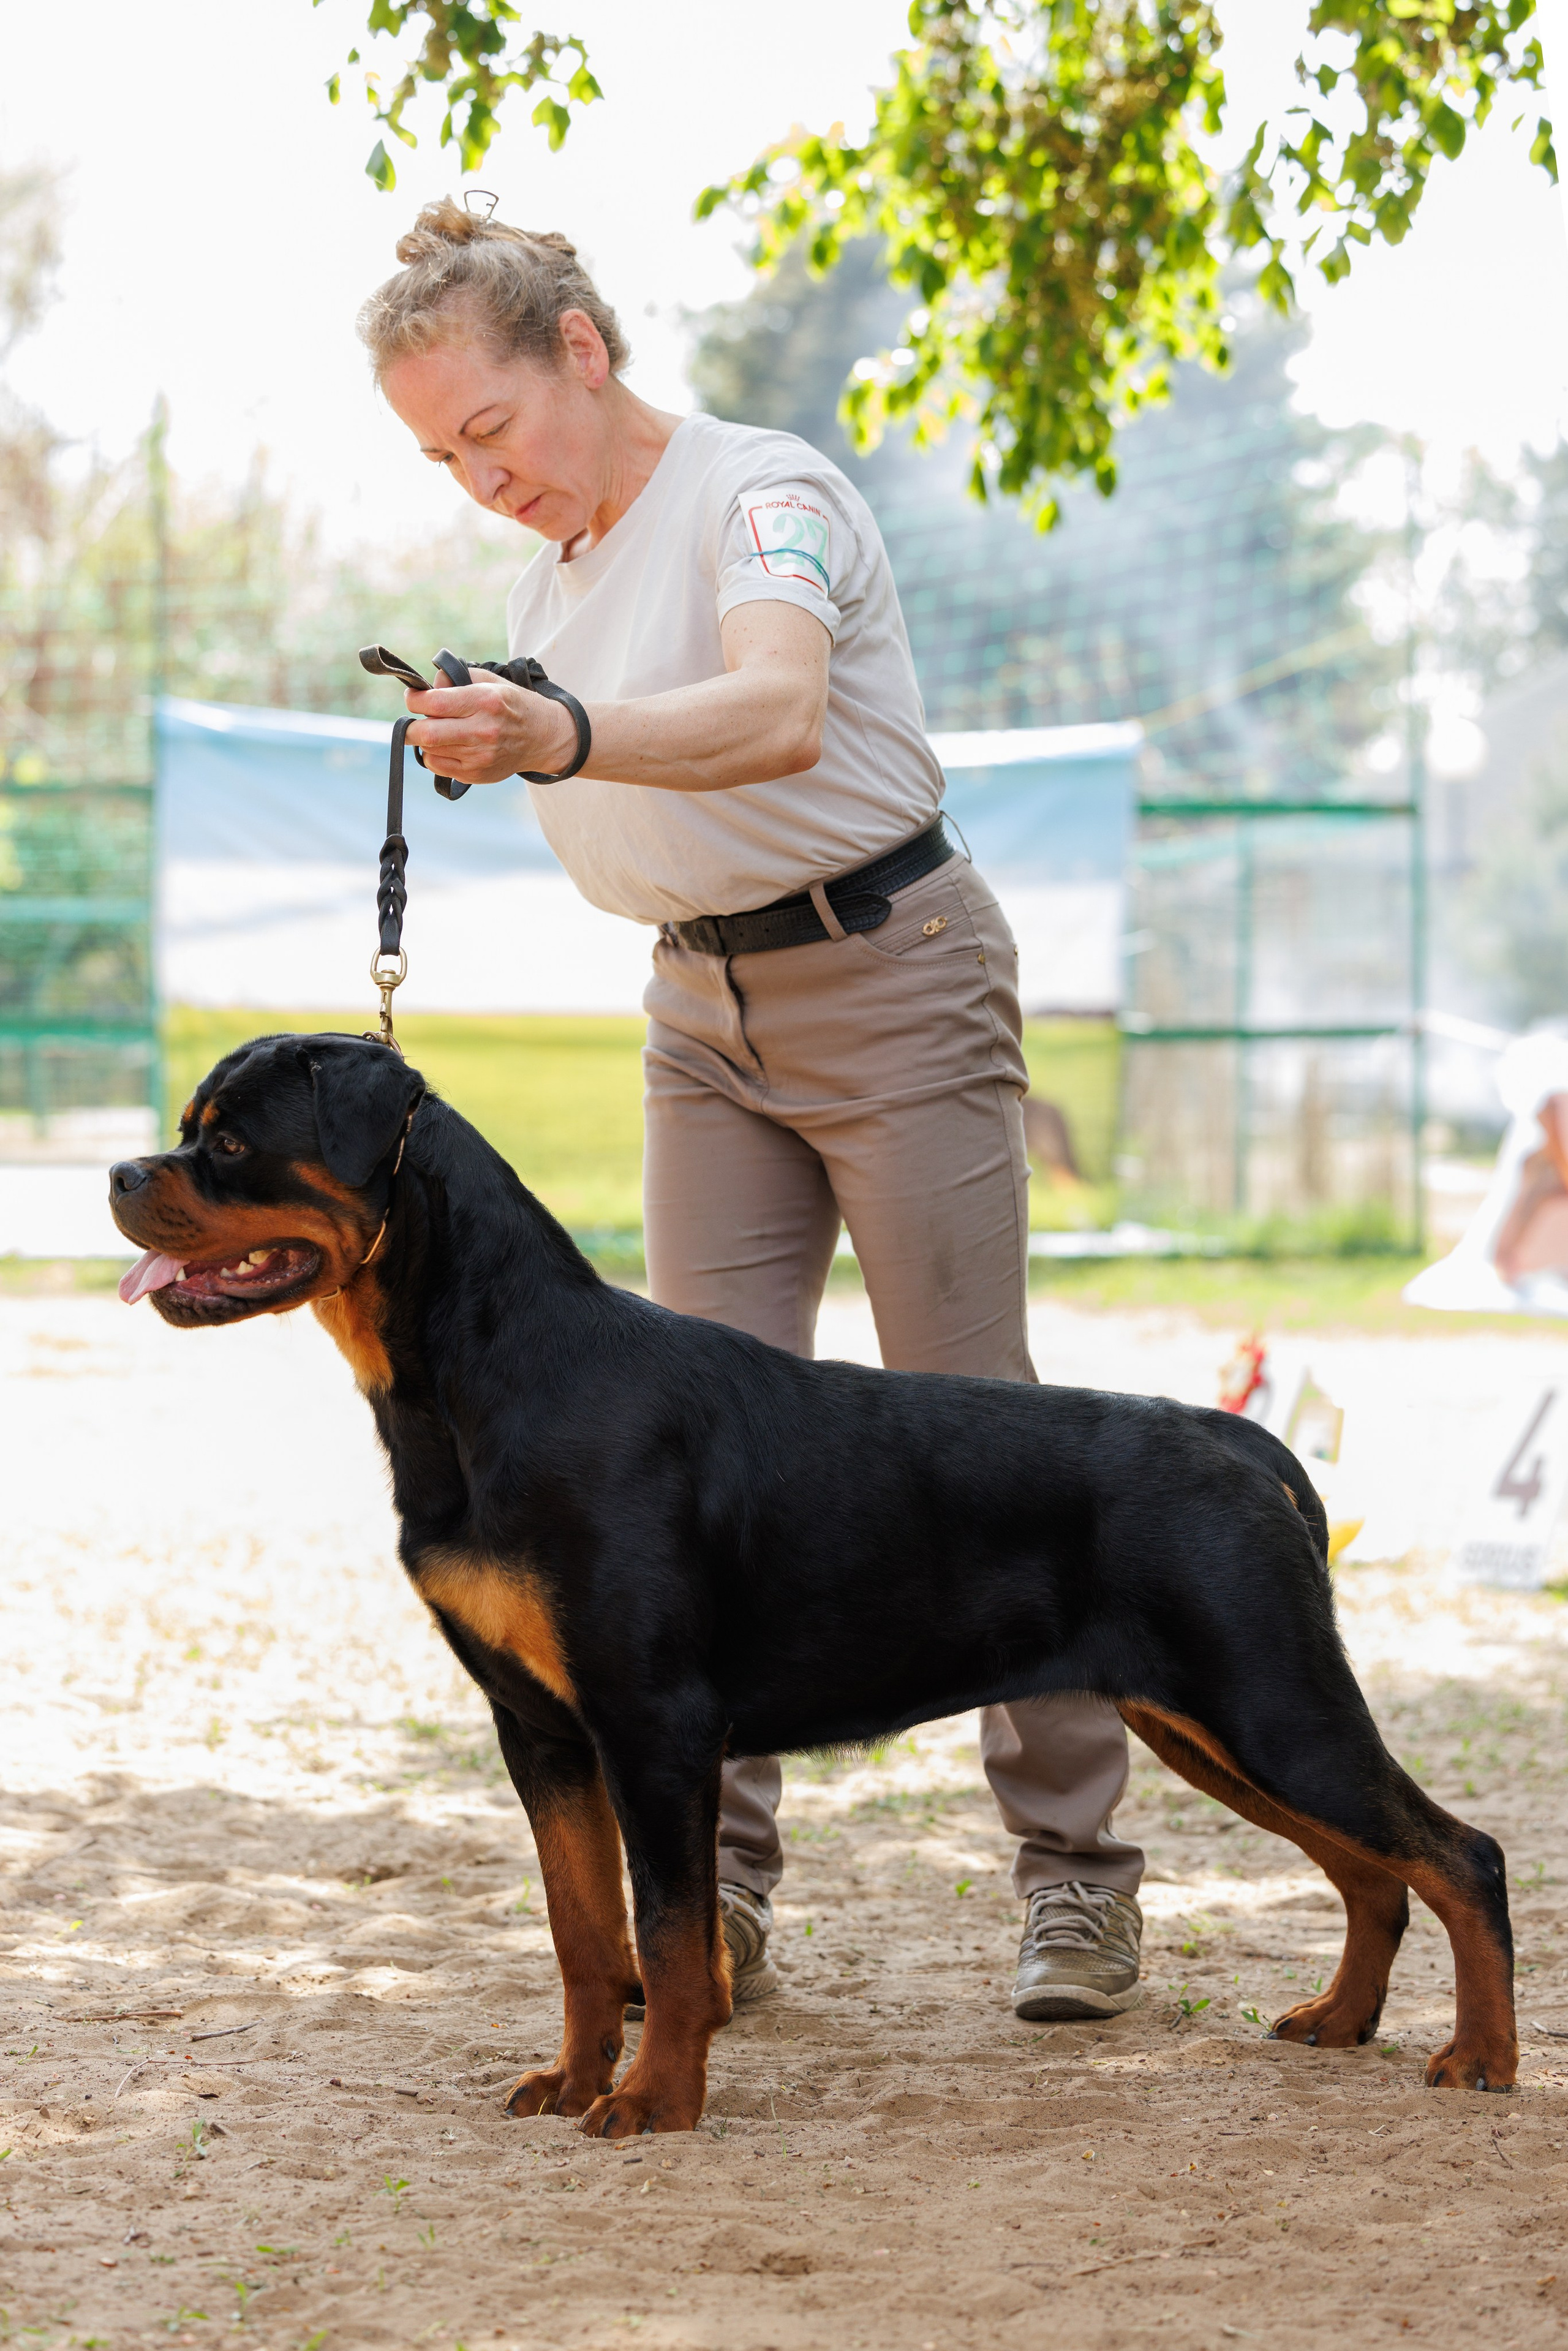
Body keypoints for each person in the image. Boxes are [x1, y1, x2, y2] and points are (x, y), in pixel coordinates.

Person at [358, 196, 1146, 2023]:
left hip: (895, 975)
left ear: (583, 350)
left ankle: (1078, 1880)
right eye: (437, 456)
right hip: (696, 1011)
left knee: (980, 1423)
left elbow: (781, 711)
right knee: (660, 1461)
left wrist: (559, 740)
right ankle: (712, 1892)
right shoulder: (548, 584)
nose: (480, 478)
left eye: (491, 427)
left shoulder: (762, 493)